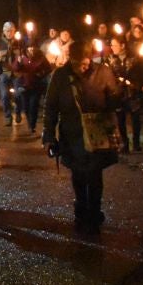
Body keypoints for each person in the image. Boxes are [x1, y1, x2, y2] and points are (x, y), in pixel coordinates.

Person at [41, 38, 125, 233]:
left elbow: (114, 99)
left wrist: (119, 96)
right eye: (77, 64)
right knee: (78, 172)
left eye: (85, 63)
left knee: (95, 173)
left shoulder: (103, 72)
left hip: (97, 133)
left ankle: (94, 211)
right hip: (72, 133)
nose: (82, 68)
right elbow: (51, 107)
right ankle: (81, 207)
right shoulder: (60, 76)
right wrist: (49, 136)